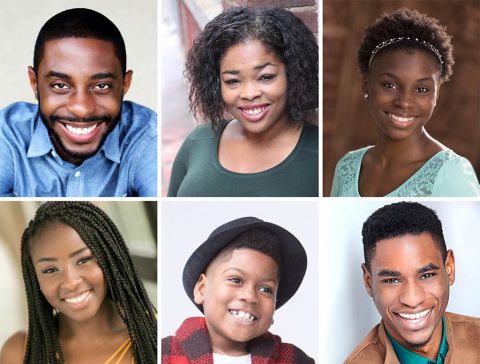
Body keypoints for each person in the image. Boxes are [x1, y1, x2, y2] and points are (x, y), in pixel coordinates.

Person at [0, 202, 157, 364]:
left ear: (109, 257)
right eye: (50, 270)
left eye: (83, 260)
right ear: (35, 280)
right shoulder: (18, 355)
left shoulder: (158, 337)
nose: (70, 282)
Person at [324, 202, 480, 364]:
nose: (412, 299)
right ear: (368, 282)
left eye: (426, 275)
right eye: (392, 280)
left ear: (449, 268)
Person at [0, 8, 157, 197]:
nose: (82, 109)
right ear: (35, 83)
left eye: (101, 86)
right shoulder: (8, 135)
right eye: (59, 85)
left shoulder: (146, 136)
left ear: (124, 85)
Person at [167, 7, 319, 197]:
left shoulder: (318, 156)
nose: (249, 93)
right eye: (232, 81)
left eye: (265, 77)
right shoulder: (199, 142)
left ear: (293, 74)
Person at [330, 8, 480, 197]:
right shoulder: (347, 167)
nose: (405, 102)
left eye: (422, 89)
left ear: (436, 94)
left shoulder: (451, 173)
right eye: (390, 85)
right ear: (366, 84)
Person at [162, 217, 319, 364]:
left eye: (265, 289)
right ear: (201, 288)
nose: (250, 296)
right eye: (236, 280)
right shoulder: (164, 357)